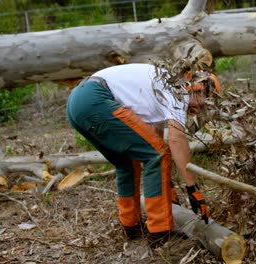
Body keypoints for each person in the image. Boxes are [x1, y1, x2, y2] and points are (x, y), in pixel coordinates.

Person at [66, 63, 220, 243]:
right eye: (205, 101)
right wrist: (193, 188)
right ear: (197, 88)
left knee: (127, 162)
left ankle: (131, 225)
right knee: (158, 154)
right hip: (94, 99)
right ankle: (160, 232)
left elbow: (153, 135)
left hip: (78, 103)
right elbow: (176, 141)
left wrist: (165, 185)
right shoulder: (179, 91)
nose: (201, 109)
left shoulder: (166, 86)